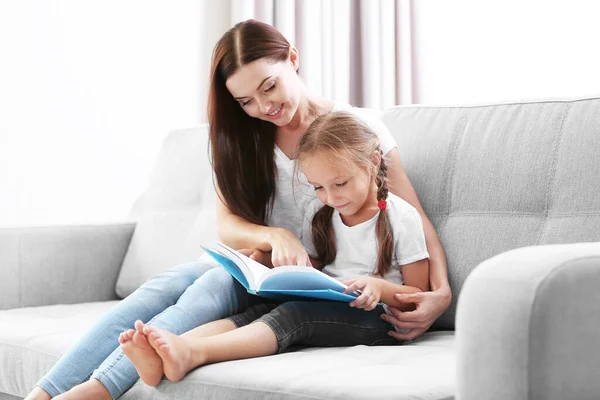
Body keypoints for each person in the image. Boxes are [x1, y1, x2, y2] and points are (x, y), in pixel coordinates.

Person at [26, 19, 450, 400]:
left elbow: (408, 214)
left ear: (293, 59)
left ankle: (96, 391)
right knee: (167, 285)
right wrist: (274, 236)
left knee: (209, 287)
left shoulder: (355, 129)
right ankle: (45, 395)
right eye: (246, 100)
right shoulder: (241, 136)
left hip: (311, 284)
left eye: (269, 86)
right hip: (262, 269)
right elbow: (229, 225)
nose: (264, 107)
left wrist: (441, 293)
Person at [121, 110, 431, 385]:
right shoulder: (327, 214)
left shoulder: (400, 217)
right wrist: (270, 262)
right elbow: (320, 267)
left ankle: (191, 352)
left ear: (374, 161)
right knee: (261, 308)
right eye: (319, 188)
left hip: (377, 320)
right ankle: (168, 350)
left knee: (295, 316)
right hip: (334, 302)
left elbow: (416, 295)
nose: (332, 198)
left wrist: (377, 288)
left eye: (340, 184)